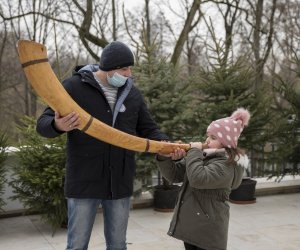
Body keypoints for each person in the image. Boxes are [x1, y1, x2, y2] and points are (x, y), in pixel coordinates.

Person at [36, 41, 169, 250]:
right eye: (124, 68)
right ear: (109, 67)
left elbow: (149, 129)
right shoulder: (73, 87)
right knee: (77, 244)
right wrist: (57, 124)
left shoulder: (132, 94)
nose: (128, 73)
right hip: (84, 180)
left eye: (130, 68)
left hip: (119, 182)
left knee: (117, 244)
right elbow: (42, 125)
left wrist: (165, 145)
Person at [156, 108, 251, 250]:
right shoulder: (205, 157)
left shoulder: (226, 166)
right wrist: (165, 157)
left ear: (226, 142)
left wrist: (194, 151)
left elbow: (198, 178)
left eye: (213, 138)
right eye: (208, 136)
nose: (207, 141)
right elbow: (175, 175)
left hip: (208, 232)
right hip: (193, 226)